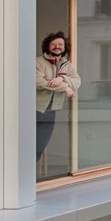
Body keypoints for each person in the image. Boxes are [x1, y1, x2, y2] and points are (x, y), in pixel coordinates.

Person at [35, 32, 80, 170]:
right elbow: (37, 81)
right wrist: (65, 88)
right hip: (35, 108)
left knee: (41, 145)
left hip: (51, 111)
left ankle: (30, 175)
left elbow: (77, 82)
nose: (57, 47)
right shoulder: (39, 62)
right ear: (47, 46)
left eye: (60, 44)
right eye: (53, 44)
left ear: (64, 47)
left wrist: (62, 79)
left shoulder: (66, 64)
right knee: (28, 144)